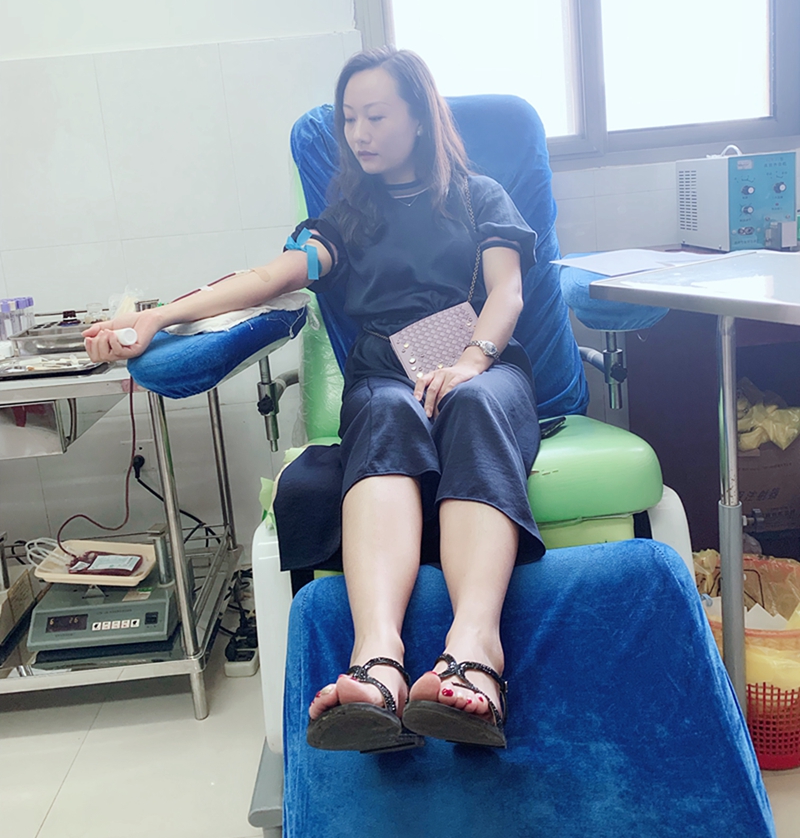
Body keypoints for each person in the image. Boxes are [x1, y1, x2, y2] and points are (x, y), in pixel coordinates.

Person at [84, 47, 544, 753]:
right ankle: (378, 661)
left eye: (376, 116)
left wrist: (470, 362)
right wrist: (157, 317)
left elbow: (507, 291)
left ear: (420, 118)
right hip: (387, 377)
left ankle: (476, 651)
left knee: (476, 405)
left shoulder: (479, 196)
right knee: (381, 411)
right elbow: (267, 277)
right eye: (349, 119)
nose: (358, 133)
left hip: (481, 365)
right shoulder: (346, 219)